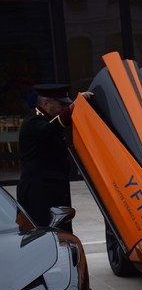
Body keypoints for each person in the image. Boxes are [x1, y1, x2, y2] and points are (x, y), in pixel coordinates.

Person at [17, 84, 93, 232]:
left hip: (54, 188)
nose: (64, 107)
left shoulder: (48, 120)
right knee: (42, 232)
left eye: (66, 105)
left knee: (60, 230)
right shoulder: (34, 121)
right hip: (39, 192)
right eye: (61, 104)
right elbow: (48, 130)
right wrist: (72, 108)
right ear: (45, 104)